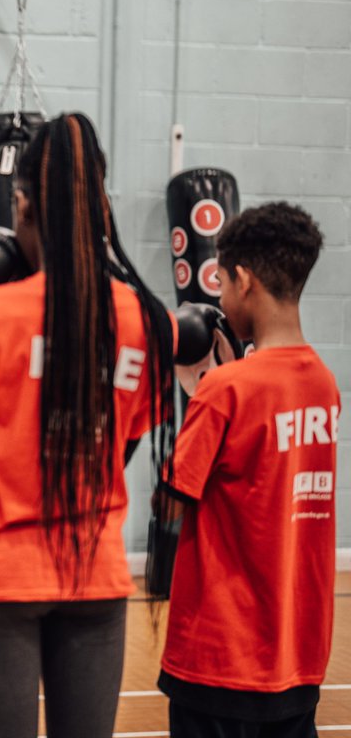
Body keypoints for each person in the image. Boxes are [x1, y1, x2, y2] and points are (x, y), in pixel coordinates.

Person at [0, 113, 176, 738]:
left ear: (22, 204)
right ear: (101, 208)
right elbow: (119, 452)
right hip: (94, 574)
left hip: (0, 577)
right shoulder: (145, 320)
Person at [157, 202, 337, 738]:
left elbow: (170, 504)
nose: (221, 299)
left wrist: (192, 393)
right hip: (297, 653)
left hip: (219, 654)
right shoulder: (323, 384)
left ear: (244, 279)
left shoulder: (224, 388)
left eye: (222, 284)